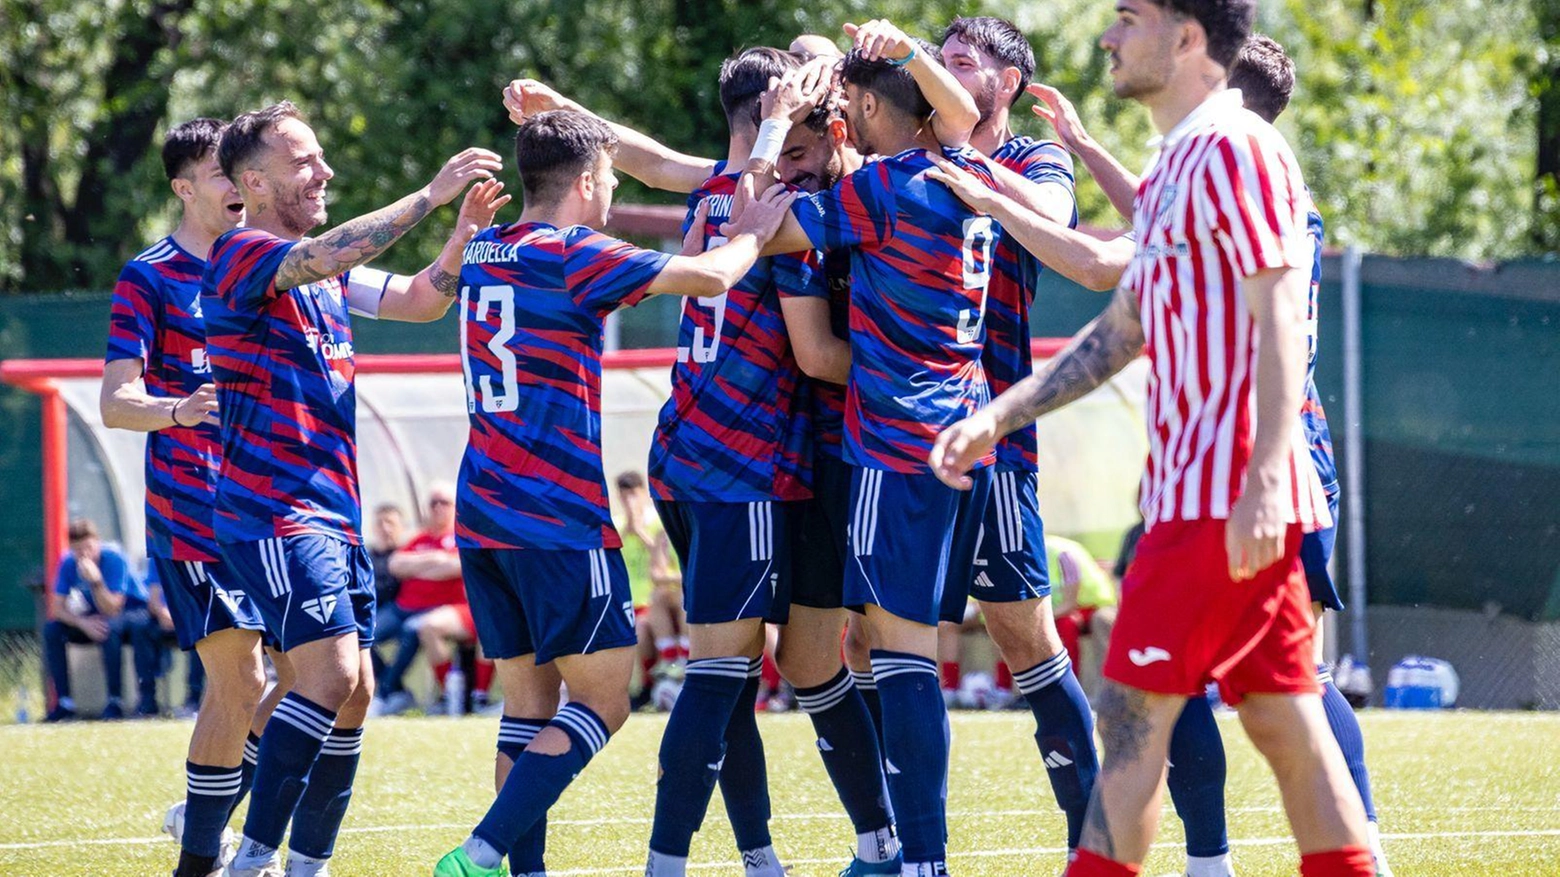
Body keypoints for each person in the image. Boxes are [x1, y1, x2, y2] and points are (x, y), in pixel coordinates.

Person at [929, 2, 1375, 874]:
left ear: (1186, 39)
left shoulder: (1235, 148)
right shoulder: (1179, 162)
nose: (1106, 37)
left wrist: (1264, 480)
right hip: (1201, 498)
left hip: (1221, 502)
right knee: (1287, 730)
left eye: (1127, 18)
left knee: (1130, 726)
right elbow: (1125, 325)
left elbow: (1282, 315)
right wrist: (999, 414)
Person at [430, 108, 796, 877]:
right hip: (556, 514)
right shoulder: (574, 250)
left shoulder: (484, 248)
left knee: (527, 706)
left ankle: (515, 870)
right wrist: (754, 229)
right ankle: (482, 851)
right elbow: (711, 279)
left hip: (484, 511)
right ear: (589, 180)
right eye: (610, 178)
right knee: (603, 701)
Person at [203, 99, 506, 877]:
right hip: (275, 513)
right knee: (329, 676)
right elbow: (324, 258)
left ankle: (307, 863)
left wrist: (463, 230)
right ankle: (251, 859)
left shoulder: (328, 273)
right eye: (305, 161)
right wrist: (430, 196)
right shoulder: (242, 256)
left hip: (332, 515)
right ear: (254, 182)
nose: (324, 172)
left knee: (359, 689)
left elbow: (422, 299)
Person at [741, 32, 1007, 875]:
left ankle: (920, 856)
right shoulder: (972, 170)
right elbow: (954, 116)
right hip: (964, 434)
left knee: (900, 655)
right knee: (901, 647)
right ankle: (910, 850)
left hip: (896, 446)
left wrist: (770, 136)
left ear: (863, 111)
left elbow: (769, 229)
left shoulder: (888, 187)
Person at [98, 116, 281, 876]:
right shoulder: (150, 277)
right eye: (218, 176)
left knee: (319, 676)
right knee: (241, 680)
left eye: (241, 175)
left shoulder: (266, 265)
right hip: (194, 514)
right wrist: (178, 408)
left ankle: (205, 807)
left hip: (272, 505)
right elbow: (115, 401)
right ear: (184, 187)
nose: (236, 188)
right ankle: (211, 854)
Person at [42, 519, 159, 721]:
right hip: (97, 616)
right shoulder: (69, 563)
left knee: (108, 628)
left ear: (97, 542)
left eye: (88, 547)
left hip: (133, 612)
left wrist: (95, 581)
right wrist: (81, 622)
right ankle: (64, 703)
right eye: (78, 550)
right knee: (52, 629)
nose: (84, 554)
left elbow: (113, 607)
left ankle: (116, 701)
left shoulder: (114, 557)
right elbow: (57, 608)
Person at [374, 483, 472, 714]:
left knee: (414, 629)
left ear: (454, 507)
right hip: (402, 607)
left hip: (439, 609)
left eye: (444, 502)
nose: (438, 507)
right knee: (362, 634)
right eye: (433, 503)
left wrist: (418, 565)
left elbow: (455, 567)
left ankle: (385, 693)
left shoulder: (460, 538)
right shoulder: (419, 538)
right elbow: (395, 565)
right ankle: (397, 691)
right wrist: (437, 560)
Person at [616, 471, 684, 700]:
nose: (628, 501)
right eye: (623, 496)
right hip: (630, 604)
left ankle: (661, 674)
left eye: (633, 495)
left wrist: (641, 534)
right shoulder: (616, 528)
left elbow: (663, 569)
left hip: (656, 601)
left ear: (643, 494)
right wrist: (627, 531)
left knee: (641, 630)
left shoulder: (658, 524)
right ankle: (649, 686)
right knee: (637, 631)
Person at [1046, 535, 1118, 689]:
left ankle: (1069, 685)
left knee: (1066, 625)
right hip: (1065, 608)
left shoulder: (1061, 554)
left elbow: (1069, 604)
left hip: (1093, 606)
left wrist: (1038, 620)